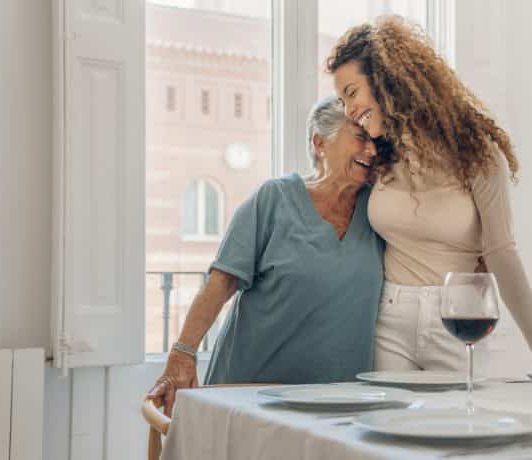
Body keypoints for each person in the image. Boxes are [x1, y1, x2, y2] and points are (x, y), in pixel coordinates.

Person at [326, 16, 532, 377]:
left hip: (458, 319)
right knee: (389, 428)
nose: (349, 110)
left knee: (460, 426)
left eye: (351, 93)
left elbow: (501, 252)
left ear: (388, 78)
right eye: (342, 101)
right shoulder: (378, 155)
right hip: (387, 317)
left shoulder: (476, 152)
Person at [146, 95, 383, 415]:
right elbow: (221, 282)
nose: (372, 150)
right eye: (360, 137)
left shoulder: (381, 211)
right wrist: (182, 354)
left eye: (376, 140)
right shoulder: (274, 199)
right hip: (251, 395)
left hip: (338, 405)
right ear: (320, 143)